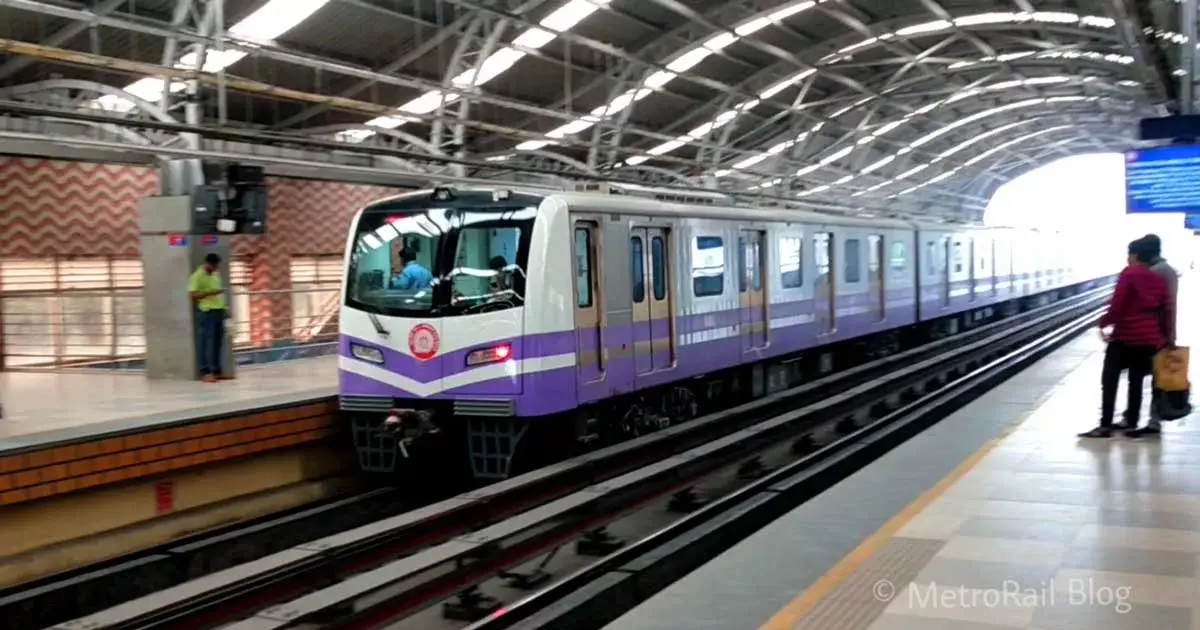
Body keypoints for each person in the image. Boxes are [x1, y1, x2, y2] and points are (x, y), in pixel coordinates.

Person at [1079, 238, 1174, 438]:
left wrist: (1104, 323)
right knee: (1136, 380)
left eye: (1129, 254)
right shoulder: (1157, 278)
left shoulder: (1129, 274)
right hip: (1149, 340)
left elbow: (1117, 305)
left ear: (1135, 255)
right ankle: (1131, 422)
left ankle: (1105, 425)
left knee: (1110, 379)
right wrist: (1166, 336)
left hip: (1126, 337)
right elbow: (1166, 308)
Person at [1128, 234, 1179, 437]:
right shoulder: (1166, 270)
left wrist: (1169, 335)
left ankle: (1153, 421)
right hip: (1159, 332)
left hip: (1154, 333)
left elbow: (1167, 306)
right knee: (1152, 377)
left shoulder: (1157, 272)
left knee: (1153, 378)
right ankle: (1148, 418)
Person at [188, 253, 229, 383]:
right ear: (208, 264)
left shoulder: (216, 274)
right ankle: (205, 372)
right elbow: (193, 295)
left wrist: (226, 309)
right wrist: (209, 293)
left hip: (219, 310)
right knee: (206, 343)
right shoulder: (197, 276)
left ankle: (216, 371)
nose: (217, 268)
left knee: (217, 342)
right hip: (206, 312)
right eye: (215, 265)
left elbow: (219, 293)